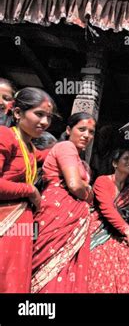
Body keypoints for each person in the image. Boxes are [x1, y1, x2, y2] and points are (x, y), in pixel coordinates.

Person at [31, 112, 96, 293]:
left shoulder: (78, 158)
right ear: (68, 130)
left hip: (69, 219)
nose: (87, 135)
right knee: (50, 271)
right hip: (58, 215)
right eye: (81, 129)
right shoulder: (66, 147)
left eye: (91, 132)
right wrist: (89, 193)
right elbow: (75, 185)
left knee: (63, 272)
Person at [0, 87, 56, 292]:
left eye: (48, 117)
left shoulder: (30, 148)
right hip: (5, 221)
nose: (44, 122)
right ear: (17, 113)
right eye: (39, 114)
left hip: (20, 225)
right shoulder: (5, 136)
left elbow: (50, 155)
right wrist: (30, 190)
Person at [88, 149, 129, 293]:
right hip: (99, 230)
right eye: (126, 158)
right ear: (114, 163)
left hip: (121, 234)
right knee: (101, 259)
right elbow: (107, 209)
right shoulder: (102, 181)